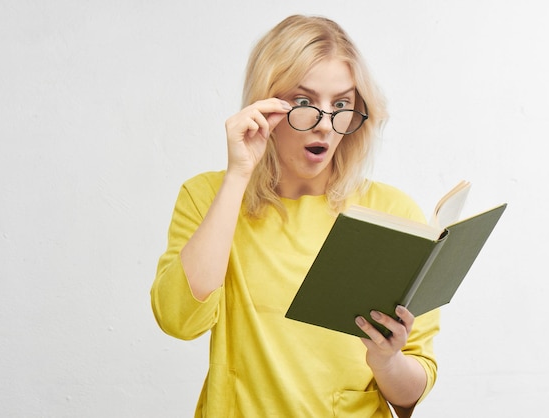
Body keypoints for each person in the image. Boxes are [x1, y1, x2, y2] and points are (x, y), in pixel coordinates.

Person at [151, 15, 440, 418]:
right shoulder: (207, 197)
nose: (324, 125)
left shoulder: (392, 213)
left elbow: (410, 392)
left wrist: (387, 362)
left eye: (341, 105)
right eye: (304, 103)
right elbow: (179, 320)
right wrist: (238, 175)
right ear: (265, 103)